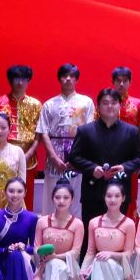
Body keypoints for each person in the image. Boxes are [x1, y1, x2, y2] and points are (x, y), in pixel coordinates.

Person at [71, 88, 140, 222]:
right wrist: (92, 168)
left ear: (120, 105)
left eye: (114, 102)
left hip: (120, 192)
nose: (110, 106)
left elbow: (139, 158)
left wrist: (124, 167)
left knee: (118, 231)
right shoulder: (85, 131)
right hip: (93, 192)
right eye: (105, 103)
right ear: (98, 107)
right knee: (91, 230)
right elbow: (74, 157)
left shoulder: (131, 131)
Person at [37, 66, 96, 206]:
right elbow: (44, 131)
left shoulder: (86, 102)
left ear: (77, 79)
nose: (68, 79)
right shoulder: (49, 104)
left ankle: (76, 221)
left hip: (78, 151)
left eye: (72, 76)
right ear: (59, 79)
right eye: (64, 76)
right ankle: (51, 220)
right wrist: (53, 157)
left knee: (77, 194)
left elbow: (89, 131)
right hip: (55, 151)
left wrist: (77, 157)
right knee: (53, 193)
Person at [0, 63, 43, 194]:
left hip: (28, 157)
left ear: (29, 81)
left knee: (25, 194)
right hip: (1, 156)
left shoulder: (36, 105)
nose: (20, 83)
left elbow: (40, 133)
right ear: (10, 80)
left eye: (24, 79)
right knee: (1, 193)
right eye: (16, 78)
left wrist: (28, 154)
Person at [79, 180, 135, 280]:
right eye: (109, 196)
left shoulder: (129, 224)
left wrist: (111, 254)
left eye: (117, 196)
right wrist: (83, 270)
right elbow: (91, 251)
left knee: (104, 261)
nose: (112, 200)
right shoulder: (94, 222)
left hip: (118, 267)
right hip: (97, 265)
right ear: (104, 197)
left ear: (123, 198)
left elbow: (128, 254)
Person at [29, 183, 85, 280]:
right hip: (45, 265)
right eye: (57, 197)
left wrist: (55, 257)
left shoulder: (77, 224)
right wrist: (42, 254)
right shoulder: (42, 221)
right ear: (52, 198)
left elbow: (75, 252)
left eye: (66, 197)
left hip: (68, 268)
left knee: (55, 263)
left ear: (72, 200)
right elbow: (36, 247)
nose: (61, 201)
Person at [0, 177, 37, 280]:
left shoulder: (32, 218)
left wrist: (24, 247)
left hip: (22, 263)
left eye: (19, 191)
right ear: (5, 192)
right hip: (1, 261)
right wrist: (5, 250)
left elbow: (34, 248)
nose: (15, 195)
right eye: (11, 191)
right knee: (13, 256)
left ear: (25, 193)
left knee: (16, 256)